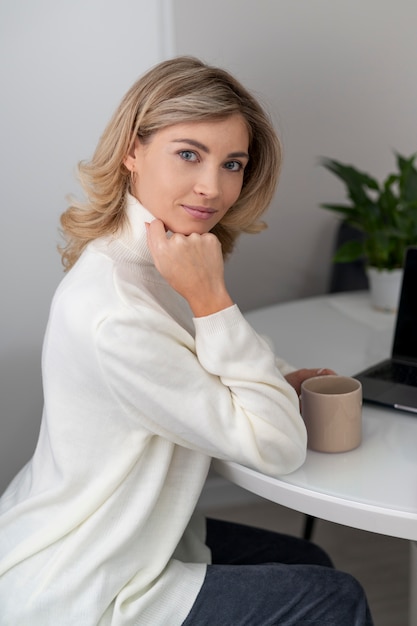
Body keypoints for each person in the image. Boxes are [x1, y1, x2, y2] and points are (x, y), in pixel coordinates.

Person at [0, 56, 373, 625]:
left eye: (232, 163)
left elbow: (203, 366)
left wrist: (272, 375)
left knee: (310, 563)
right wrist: (212, 299)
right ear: (132, 149)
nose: (213, 187)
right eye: (189, 154)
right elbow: (277, 446)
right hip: (88, 582)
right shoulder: (120, 310)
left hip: (125, 537)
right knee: (335, 598)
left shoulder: (153, 255)